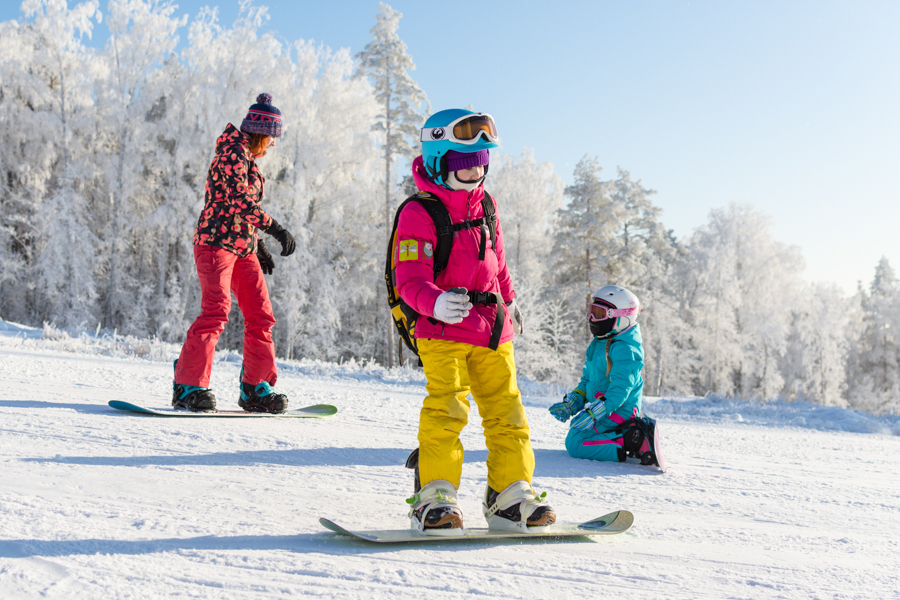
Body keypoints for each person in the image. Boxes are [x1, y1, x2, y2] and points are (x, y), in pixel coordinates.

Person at [396, 108, 555, 535]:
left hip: (492, 329)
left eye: (481, 163)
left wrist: (511, 301)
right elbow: (408, 278)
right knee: (447, 411)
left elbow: (497, 261)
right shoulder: (419, 212)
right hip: (443, 329)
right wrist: (434, 302)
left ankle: (510, 496)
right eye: (465, 165)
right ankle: (434, 497)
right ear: (438, 162)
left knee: (508, 413)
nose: (476, 173)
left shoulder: (486, 204)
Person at [172, 93, 296, 414]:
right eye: (272, 137)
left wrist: (258, 243)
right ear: (261, 133)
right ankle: (188, 385)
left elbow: (240, 210)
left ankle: (256, 387)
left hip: (242, 247)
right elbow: (239, 201)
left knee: (261, 314)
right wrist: (276, 229)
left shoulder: (247, 158)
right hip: (215, 242)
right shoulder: (231, 153)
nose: (273, 144)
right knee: (216, 310)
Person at [549, 285, 660, 466]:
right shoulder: (599, 343)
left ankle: (633, 439)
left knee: (576, 443)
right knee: (576, 432)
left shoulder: (626, 349)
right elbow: (588, 381)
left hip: (620, 411)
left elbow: (619, 391)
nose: (592, 318)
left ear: (622, 318)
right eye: (591, 311)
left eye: (599, 314)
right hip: (606, 407)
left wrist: (593, 414)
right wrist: (572, 403)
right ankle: (623, 436)